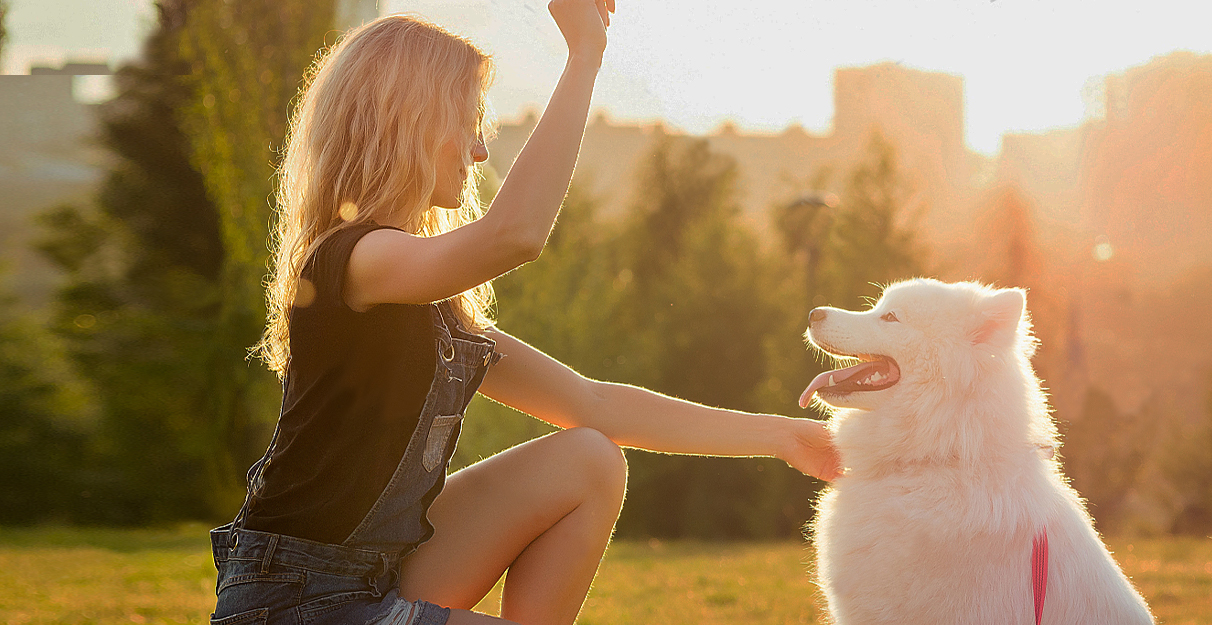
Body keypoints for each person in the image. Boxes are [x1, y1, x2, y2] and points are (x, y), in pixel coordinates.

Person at [208, 2, 841, 624]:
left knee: (590, 457)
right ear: (411, 120)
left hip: (377, 572)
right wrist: (585, 57)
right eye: (470, 121)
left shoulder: (432, 310)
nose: (480, 151)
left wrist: (784, 437)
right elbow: (515, 235)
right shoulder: (356, 260)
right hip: (292, 600)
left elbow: (596, 406)